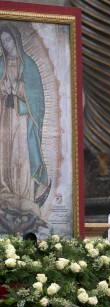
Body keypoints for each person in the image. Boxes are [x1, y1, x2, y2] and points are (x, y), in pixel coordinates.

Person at [0, 24, 51, 224]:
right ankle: (6, 197)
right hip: (4, 118)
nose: (6, 44)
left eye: (8, 40)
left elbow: (37, 97)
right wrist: (4, 87)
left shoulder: (29, 65)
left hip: (22, 120)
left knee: (21, 158)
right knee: (5, 158)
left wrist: (19, 88)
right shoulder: (0, 64)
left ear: (15, 40)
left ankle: (24, 198)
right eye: (2, 42)